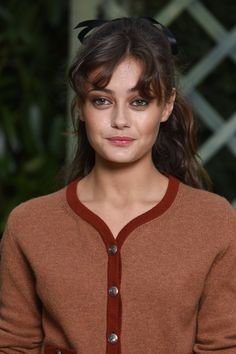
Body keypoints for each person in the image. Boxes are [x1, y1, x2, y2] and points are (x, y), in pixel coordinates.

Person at [0, 16, 235, 354]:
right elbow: (14, 345)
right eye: (102, 100)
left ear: (166, 105)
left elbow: (223, 347)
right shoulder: (30, 225)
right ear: (81, 106)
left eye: (139, 101)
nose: (120, 120)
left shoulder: (214, 222)